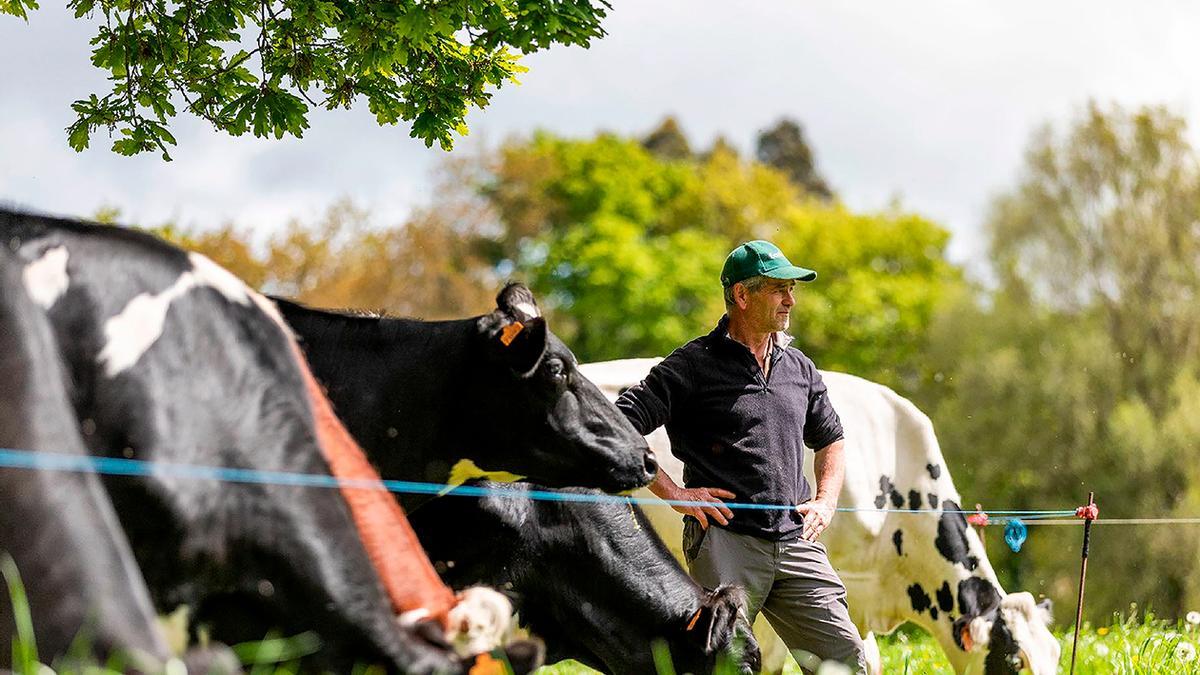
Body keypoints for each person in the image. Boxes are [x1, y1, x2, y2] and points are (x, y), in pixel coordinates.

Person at [616, 240, 867, 674]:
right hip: (724, 543)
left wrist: (825, 499)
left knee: (848, 661)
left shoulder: (799, 367)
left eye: (792, 289)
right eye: (777, 289)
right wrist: (674, 492)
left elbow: (832, 437)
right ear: (742, 295)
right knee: (727, 667)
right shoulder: (692, 365)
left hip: (795, 541)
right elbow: (619, 423)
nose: (790, 300)